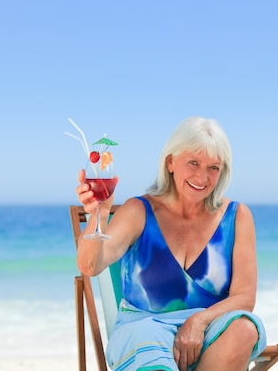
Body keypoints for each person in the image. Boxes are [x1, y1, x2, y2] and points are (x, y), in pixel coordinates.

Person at [75, 116, 267, 371]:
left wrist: (199, 321)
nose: (203, 176)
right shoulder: (138, 211)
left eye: (213, 167)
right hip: (144, 331)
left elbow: (244, 298)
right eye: (193, 162)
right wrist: (98, 215)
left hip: (207, 333)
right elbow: (90, 266)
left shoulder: (237, 216)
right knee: (149, 344)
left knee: (244, 328)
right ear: (170, 162)